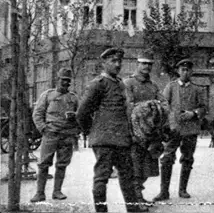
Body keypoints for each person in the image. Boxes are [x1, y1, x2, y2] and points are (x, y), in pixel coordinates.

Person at [76, 47, 148, 213]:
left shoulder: (120, 83)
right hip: (104, 141)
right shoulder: (98, 84)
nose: (117, 64)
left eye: (119, 61)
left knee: (128, 178)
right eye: (113, 61)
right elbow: (81, 113)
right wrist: (91, 131)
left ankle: (133, 211)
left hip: (122, 140)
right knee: (101, 178)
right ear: (104, 63)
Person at [153, 58, 207, 201]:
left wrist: (194, 113)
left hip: (190, 130)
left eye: (188, 70)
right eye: (183, 70)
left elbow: (203, 108)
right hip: (173, 129)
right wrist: (166, 124)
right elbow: (163, 106)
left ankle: (183, 190)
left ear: (192, 72)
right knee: (167, 158)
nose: (185, 72)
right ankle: (164, 191)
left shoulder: (197, 89)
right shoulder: (170, 87)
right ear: (178, 71)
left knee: (187, 159)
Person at [123, 50, 169, 205]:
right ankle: (136, 199)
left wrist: (156, 108)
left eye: (149, 64)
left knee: (148, 168)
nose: (146, 67)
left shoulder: (153, 86)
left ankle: (139, 196)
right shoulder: (128, 83)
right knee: (135, 168)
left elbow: (164, 104)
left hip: (151, 134)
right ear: (137, 64)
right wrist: (149, 107)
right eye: (143, 63)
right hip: (134, 133)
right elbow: (128, 106)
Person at [30, 68, 80, 203]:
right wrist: (43, 129)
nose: (66, 83)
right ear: (57, 80)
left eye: (68, 81)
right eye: (63, 80)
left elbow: (81, 115)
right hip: (50, 134)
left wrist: (75, 118)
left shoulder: (73, 98)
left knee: (62, 164)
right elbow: (37, 114)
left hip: (66, 135)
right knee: (43, 164)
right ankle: (39, 193)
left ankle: (57, 191)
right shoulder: (47, 95)